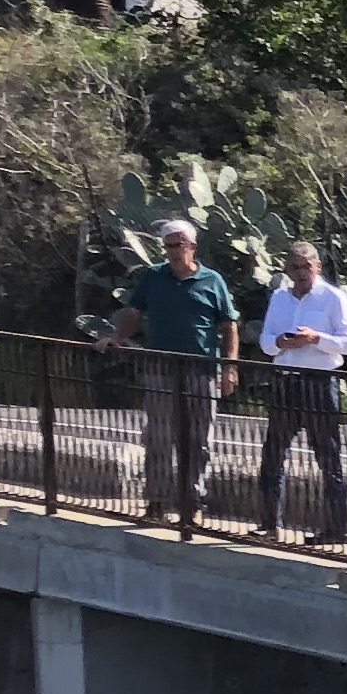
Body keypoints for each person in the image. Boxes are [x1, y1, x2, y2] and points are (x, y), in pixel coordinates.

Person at [98, 217, 240, 525]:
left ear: (192, 247)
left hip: (201, 370)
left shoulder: (212, 280)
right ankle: (157, 502)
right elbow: (134, 312)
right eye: (169, 246)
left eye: (180, 245)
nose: (174, 252)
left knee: (199, 440)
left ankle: (193, 504)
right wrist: (117, 338)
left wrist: (229, 368)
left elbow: (229, 326)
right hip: (161, 368)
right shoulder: (153, 277)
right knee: (159, 437)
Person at [256, 239, 347, 542]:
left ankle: (337, 528)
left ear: (317, 267)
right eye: (295, 267)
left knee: (328, 455)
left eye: (306, 267)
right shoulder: (280, 298)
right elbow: (266, 341)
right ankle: (269, 523)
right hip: (286, 381)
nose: (301, 273)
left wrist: (317, 338)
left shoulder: (333, 297)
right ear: (287, 269)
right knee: (273, 453)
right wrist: (281, 343)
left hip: (319, 382)